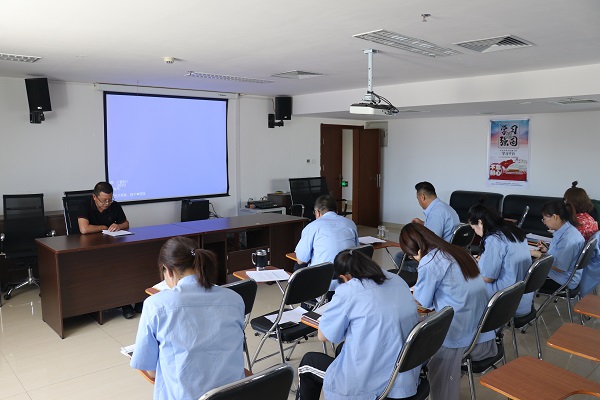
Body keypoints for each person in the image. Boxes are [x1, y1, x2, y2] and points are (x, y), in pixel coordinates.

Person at [130, 237, 245, 400]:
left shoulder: (155, 305)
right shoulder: (234, 299)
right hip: (234, 394)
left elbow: (151, 372)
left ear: (167, 270)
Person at [297, 250, 420, 400]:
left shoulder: (348, 291)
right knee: (342, 348)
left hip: (370, 385)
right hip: (402, 379)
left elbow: (324, 336)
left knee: (308, 363)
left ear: (345, 277)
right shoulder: (397, 279)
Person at [399, 223, 497, 400]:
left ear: (416, 251)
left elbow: (423, 302)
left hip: (460, 337)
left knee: (408, 333)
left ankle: (408, 385)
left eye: (411, 255)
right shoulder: (457, 251)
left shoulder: (430, 262)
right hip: (481, 331)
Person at [78, 181, 139, 319]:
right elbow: (84, 229)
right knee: (107, 268)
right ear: (94, 197)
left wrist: (118, 226)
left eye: (110, 199)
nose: (107, 203)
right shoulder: (84, 205)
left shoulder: (114, 206)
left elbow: (126, 223)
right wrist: (104, 227)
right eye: (104, 200)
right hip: (87, 248)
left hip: (110, 246)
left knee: (124, 265)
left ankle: (129, 301)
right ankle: (117, 303)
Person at [467, 204, 533, 316]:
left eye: (474, 228)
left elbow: (487, 278)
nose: (475, 233)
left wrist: (471, 266)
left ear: (480, 222)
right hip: (523, 301)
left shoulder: (494, 239)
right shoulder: (515, 231)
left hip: (504, 304)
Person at [393, 181, 460, 267]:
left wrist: (410, 243)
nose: (418, 202)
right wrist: (423, 224)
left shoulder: (435, 212)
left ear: (422, 197)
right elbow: (439, 227)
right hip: (453, 252)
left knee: (399, 256)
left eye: (418, 198)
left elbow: (431, 241)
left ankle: (417, 274)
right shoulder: (444, 207)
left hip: (441, 255)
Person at [531, 200, 585, 292]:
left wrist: (539, 255)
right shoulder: (566, 230)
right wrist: (547, 249)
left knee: (524, 270)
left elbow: (560, 268)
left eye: (544, 219)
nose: (544, 222)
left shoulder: (567, 239)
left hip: (562, 280)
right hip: (567, 276)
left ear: (555, 217)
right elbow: (560, 254)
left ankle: (523, 299)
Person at [294, 194, 359, 270]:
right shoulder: (350, 223)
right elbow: (356, 249)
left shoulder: (312, 227)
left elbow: (301, 260)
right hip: (348, 270)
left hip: (324, 273)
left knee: (298, 266)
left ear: (317, 212)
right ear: (336, 211)